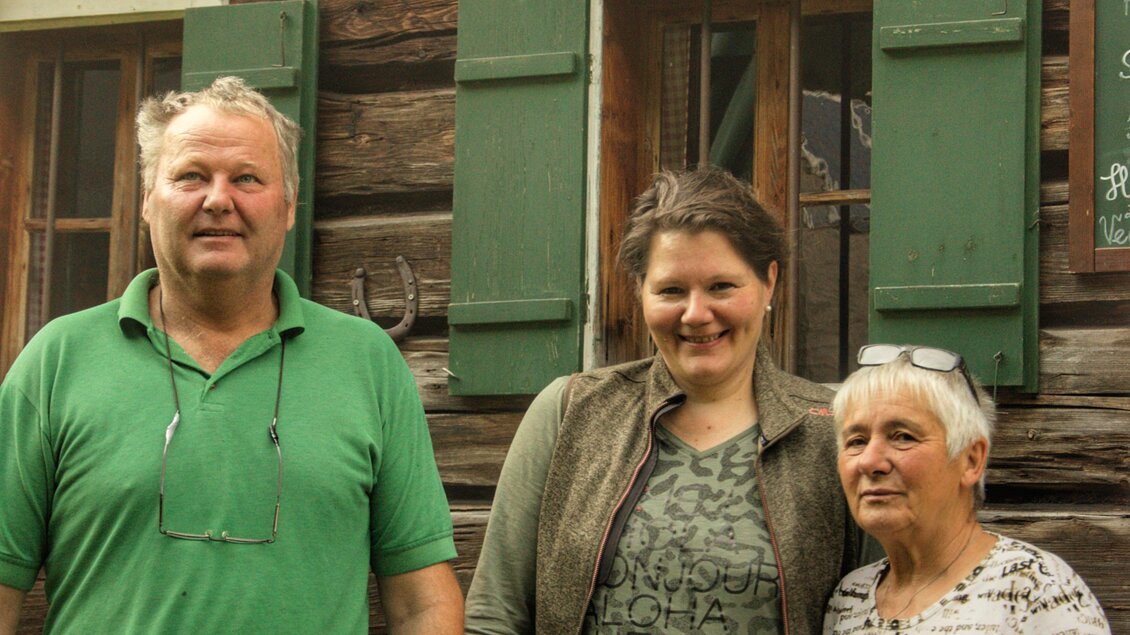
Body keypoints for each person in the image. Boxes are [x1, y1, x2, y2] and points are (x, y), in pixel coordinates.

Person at [0, 76, 462, 634]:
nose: (218, 200)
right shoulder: (57, 361)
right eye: (191, 175)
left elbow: (422, 604)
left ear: (289, 207)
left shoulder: (367, 362)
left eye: (246, 178)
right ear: (147, 200)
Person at [465, 167, 876, 634]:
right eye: (671, 290)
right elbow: (495, 615)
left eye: (722, 286)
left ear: (769, 283)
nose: (697, 314)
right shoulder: (570, 412)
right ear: (640, 291)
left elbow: (882, 609)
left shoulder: (834, 430)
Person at [824, 344, 1111, 634]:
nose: (870, 461)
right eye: (856, 441)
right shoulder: (849, 599)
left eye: (903, 436)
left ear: (971, 460)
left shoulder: (1037, 591)